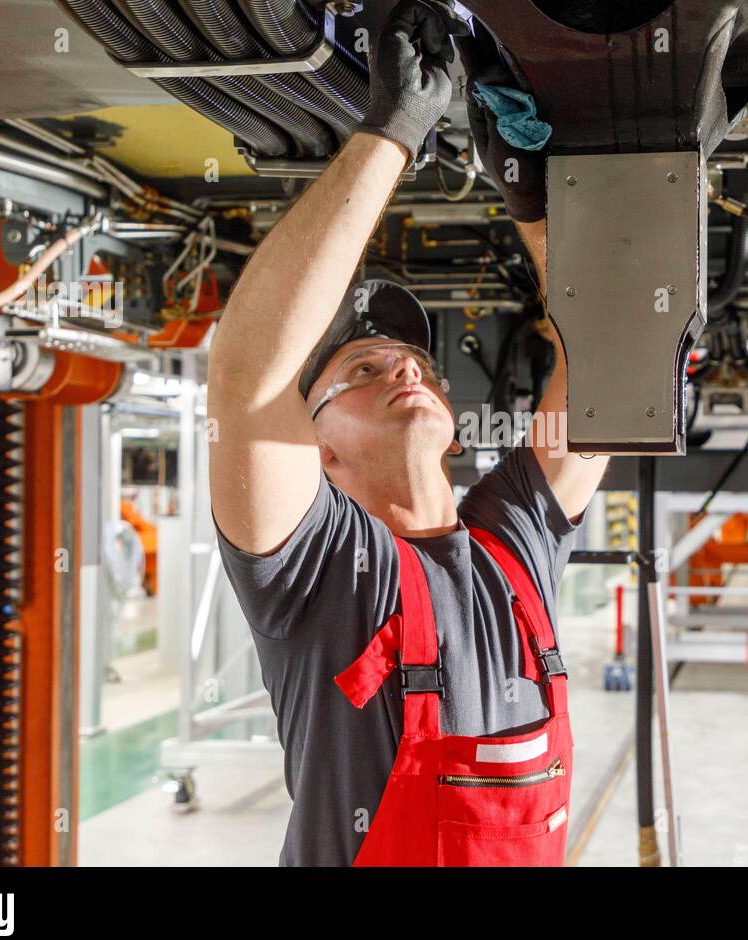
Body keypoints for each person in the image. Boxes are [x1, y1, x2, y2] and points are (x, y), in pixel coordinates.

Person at [206, 1, 609, 866]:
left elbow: (609, 379)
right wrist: (390, 131)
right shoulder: (315, 571)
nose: (402, 370)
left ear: (455, 427)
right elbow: (248, 377)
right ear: (315, 451)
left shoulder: (513, 548)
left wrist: (533, 202)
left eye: (414, 365)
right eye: (359, 371)